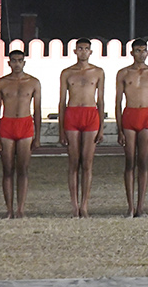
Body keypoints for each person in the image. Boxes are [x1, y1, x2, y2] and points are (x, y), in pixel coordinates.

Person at [114, 38, 148, 217]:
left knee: (142, 162)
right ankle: (130, 206)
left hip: (146, 116)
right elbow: (118, 101)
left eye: (144, 50)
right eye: (137, 50)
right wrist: (119, 129)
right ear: (131, 53)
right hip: (130, 116)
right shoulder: (123, 73)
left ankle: (141, 207)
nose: (141, 54)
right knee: (129, 162)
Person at [0, 48, 41, 219]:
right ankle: (9, 209)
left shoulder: (33, 82)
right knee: (7, 169)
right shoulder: (1, 83)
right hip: (7, 124)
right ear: (9, 62)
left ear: (24, 62)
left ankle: (20, 208)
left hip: (25, 125)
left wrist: (38, 136)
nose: (17, 63)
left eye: (20, 60)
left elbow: (37, 110)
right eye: (14, 60)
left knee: (23, 169)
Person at [58, 39, 104, 218]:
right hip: (72, 114)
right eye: (80, 49)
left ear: (90, 52)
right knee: (73, 161)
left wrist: (101, 127)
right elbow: (62, 101)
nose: (83, 52)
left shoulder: (98, 72)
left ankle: (85, 204)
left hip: (91, 114)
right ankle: (74, 205)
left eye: (86, 49)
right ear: (75, 51)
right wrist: (61, 128)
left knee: (87, 162)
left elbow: (100, 100)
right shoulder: (67, 73)